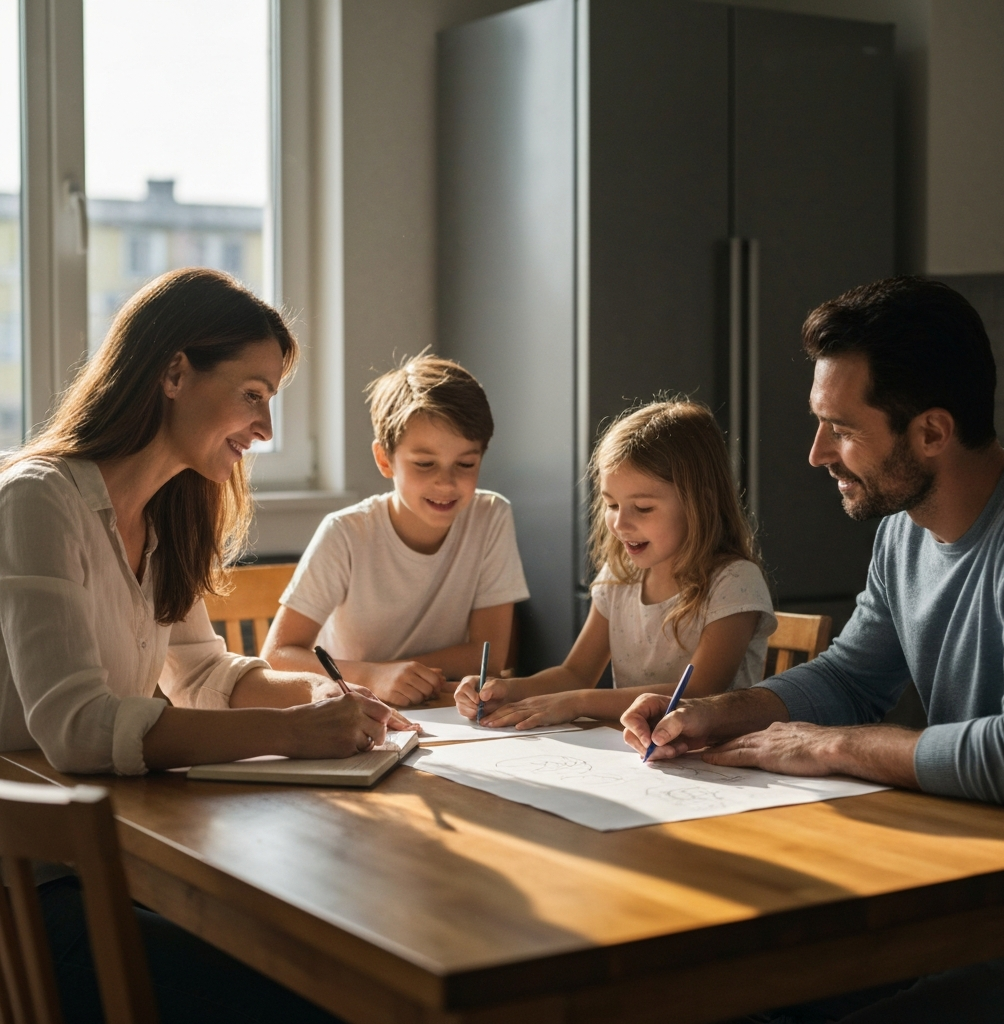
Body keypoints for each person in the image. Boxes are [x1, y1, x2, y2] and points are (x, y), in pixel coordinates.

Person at [0, 267, 413, 1024]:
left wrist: (319, 698)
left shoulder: (164, 518)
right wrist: (293, 733)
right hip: (26, 900)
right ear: (174, 371)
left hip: (102, 865)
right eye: (253, 394)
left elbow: (199, 669)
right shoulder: (36, 499)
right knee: (314, 994)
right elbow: (78, 727)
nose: (265, 429)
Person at [621, 277, 1004, 1023]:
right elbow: (850, 676)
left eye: (840, 428)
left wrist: (832, 747)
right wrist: (718, 712)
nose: (814, 454)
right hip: (963, 895)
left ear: (931, 432)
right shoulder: (904, 532)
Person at [454, 400, 776, 728]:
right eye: (611, 504)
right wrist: (505, 689)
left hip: (719, 763)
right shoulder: (620, 576)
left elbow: (701, 692)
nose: (620, 524)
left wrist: (578, 701)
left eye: (643, 508)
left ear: (701, 504)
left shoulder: (734, 581)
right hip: (638, 755)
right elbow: (575, 673)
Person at [262, 353, 530, 706]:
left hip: (442, 709)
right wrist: (375, 676)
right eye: (424, 463)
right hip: (356, 710)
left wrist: (401, 675)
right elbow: (277, 657)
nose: (447, 483)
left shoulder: (490, 516)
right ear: (384, 460)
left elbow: (488, 657)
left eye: (466, 463)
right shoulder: (345, 533)